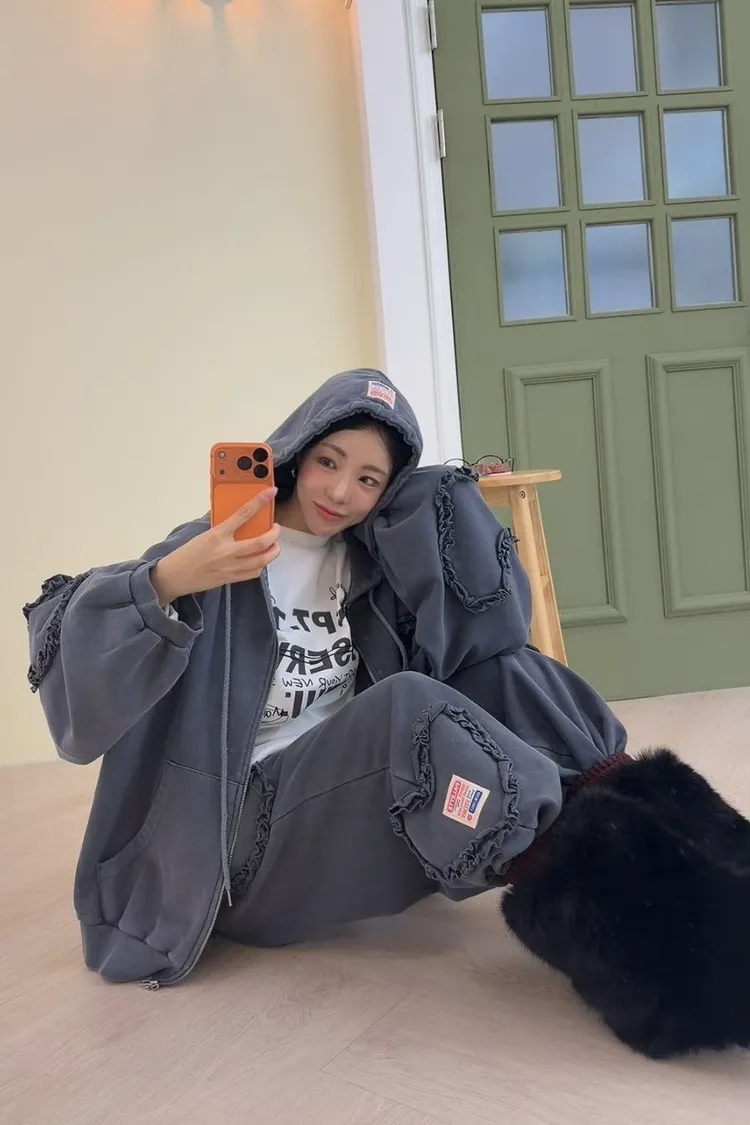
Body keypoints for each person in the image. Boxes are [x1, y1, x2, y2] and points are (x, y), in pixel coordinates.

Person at [23, 368, 750, 1058]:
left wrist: (441, 501)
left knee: (509, 672)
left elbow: (493, 637)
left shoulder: (368, 564)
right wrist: (171, 579)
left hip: (340, 813)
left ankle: (718, 856)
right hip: (237, 849)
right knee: (406, 708)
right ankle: (669, 973)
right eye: (328, 462)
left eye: (370, 479)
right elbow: (74, 665)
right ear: (295, 453)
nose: (341, 492)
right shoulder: (214, 549)